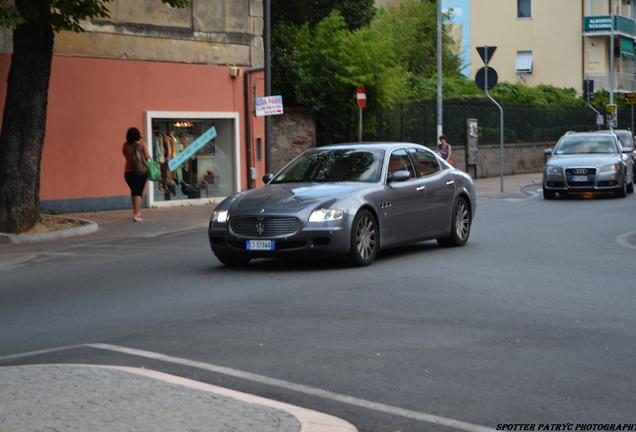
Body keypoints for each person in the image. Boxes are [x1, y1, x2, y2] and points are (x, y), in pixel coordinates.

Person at [122, 127, 150, 222]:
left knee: (134, 192)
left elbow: (125, 155)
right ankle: (136, 214)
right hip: (140, 171)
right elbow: (147, 156)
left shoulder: (125, 145)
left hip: (128, 173)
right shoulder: (141, 144)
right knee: (138, 192)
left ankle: (136, 211)